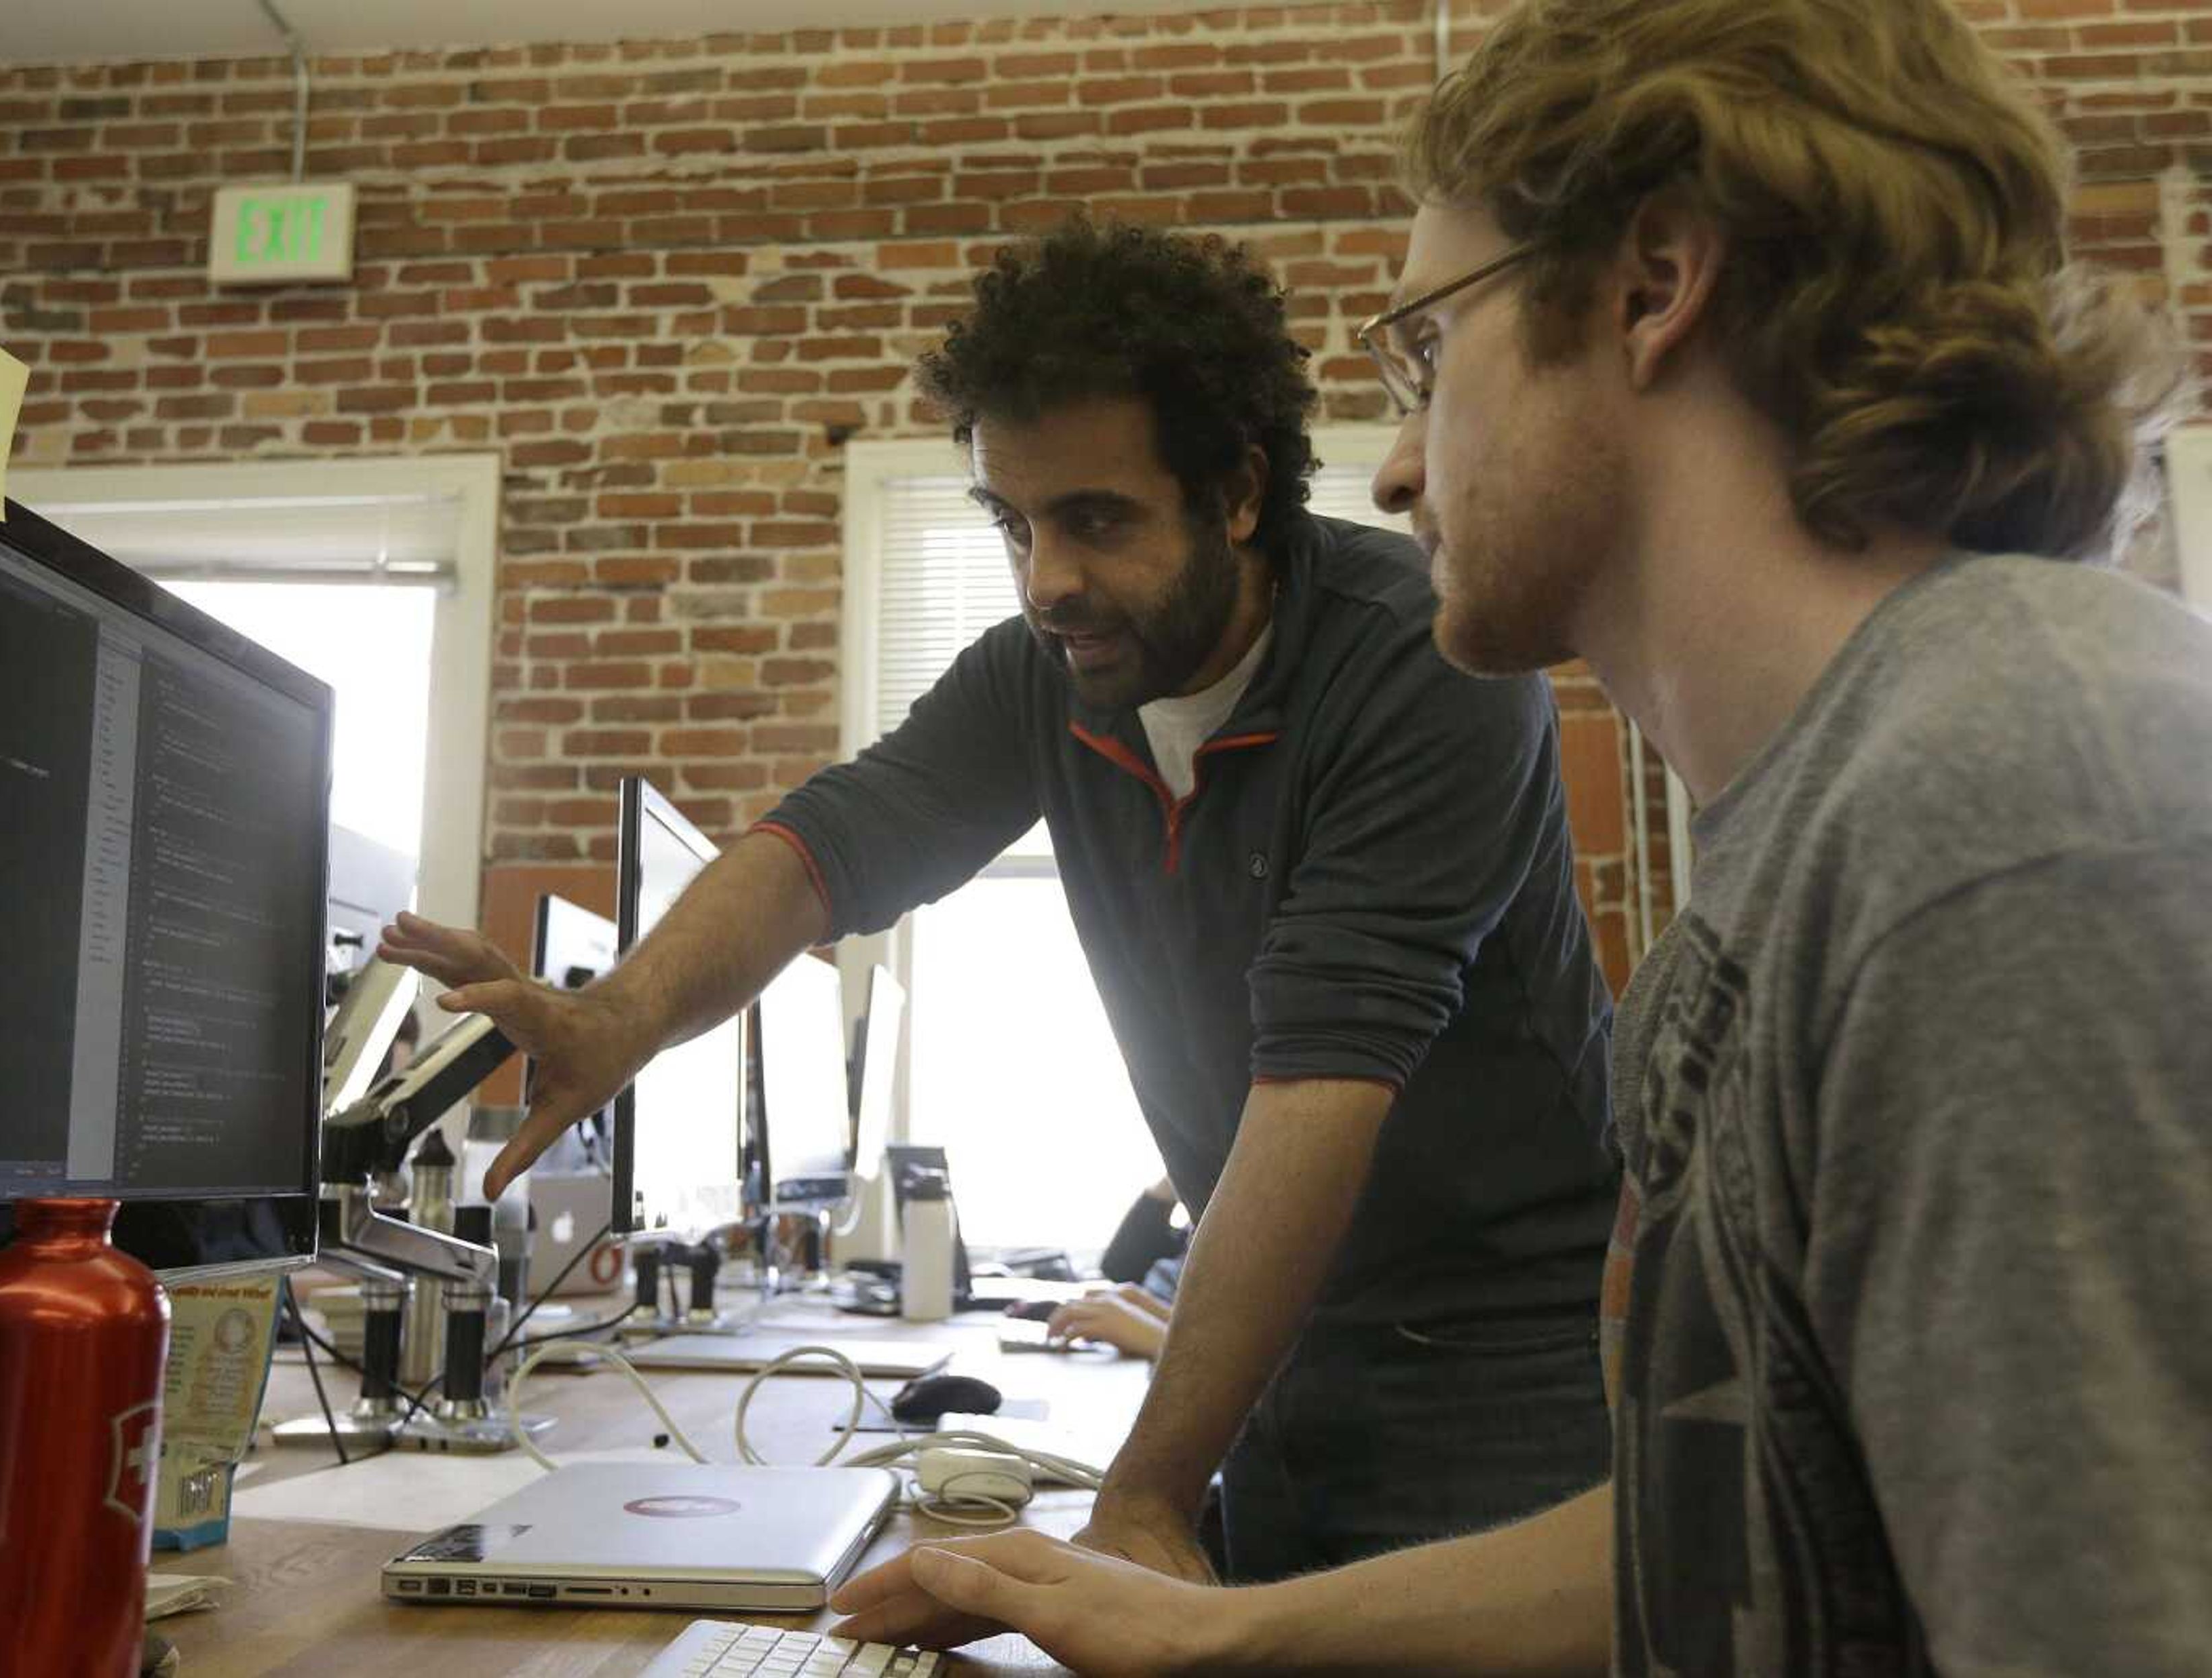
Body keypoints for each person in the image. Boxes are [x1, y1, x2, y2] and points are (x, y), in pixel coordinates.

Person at [826, 0, 2211, 1671]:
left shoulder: (2007, 803)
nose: (1400, 471)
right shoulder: (1828, 819)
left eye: (1427, 350)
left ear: (1651, 288)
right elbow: (1737, 1525)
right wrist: (1217, 1636)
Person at [385, 219, 1623, 1582]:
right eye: (1011, 522)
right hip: (1277, 1339)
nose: (1047, 581)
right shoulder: (1050, 671)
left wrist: (1143, 1497)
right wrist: (621, 1016)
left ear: (1240, 492)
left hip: (1506, 1358)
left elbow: (1323, 1080)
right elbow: (832, 843)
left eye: (1095, 520)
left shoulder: (1416, 665)